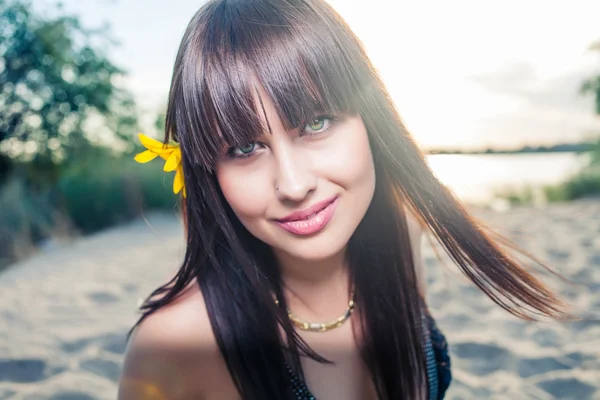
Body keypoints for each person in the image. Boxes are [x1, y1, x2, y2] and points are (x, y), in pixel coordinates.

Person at [118, 0, 568, 398]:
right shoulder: (172, 344)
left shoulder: (401, 235)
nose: (293, 185)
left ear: (371, 119)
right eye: (243, 148)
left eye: (316, 123)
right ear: (208, 172)